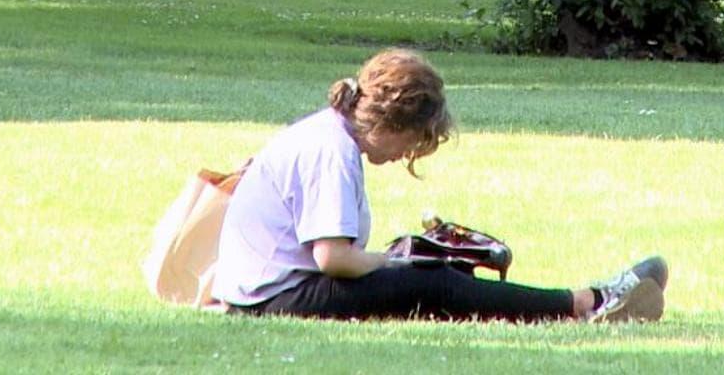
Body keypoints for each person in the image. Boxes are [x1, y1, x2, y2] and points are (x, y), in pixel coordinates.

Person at [212, 48, 669, 322]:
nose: (406, 155)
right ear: (394, 122)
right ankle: (587, 303)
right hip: (275, 298)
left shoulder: (326, 133)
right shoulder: (332, 152)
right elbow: (333, 259)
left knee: (426, 272)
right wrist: (393, 260)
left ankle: (577, 302)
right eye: (414, 140)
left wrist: (391, 259)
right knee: (433, 279)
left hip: (263, 291)